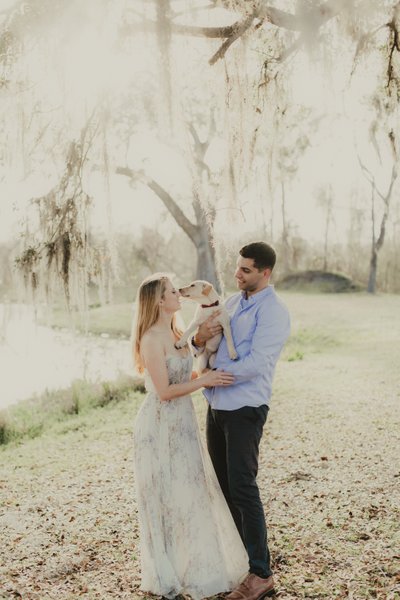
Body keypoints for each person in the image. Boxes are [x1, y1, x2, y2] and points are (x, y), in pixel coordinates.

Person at [132, 273, 248, 600]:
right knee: (167, 499)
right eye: (171, 291)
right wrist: (205, 380)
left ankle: (197, 566)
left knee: (191, 493)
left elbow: (188, 373)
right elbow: (166, 391)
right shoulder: (151, 339)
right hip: (157, 427)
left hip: (182, 423)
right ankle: (169, 572)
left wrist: (208, 372)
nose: (178, 294)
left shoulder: (178, 332)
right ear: (158, 300)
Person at [192, 242, 291, 600]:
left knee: (243, 487)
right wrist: (196, 340)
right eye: (237, 268)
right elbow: (202, 341)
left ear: (265, 272)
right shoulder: (231, 303)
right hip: (216, 405)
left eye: (246, 270)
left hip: (245, 410)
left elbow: (256, 364)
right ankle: (241, 561)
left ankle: (261, 574)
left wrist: (212, 371)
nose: (237, 274)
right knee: (223, 486)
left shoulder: (275, 313)